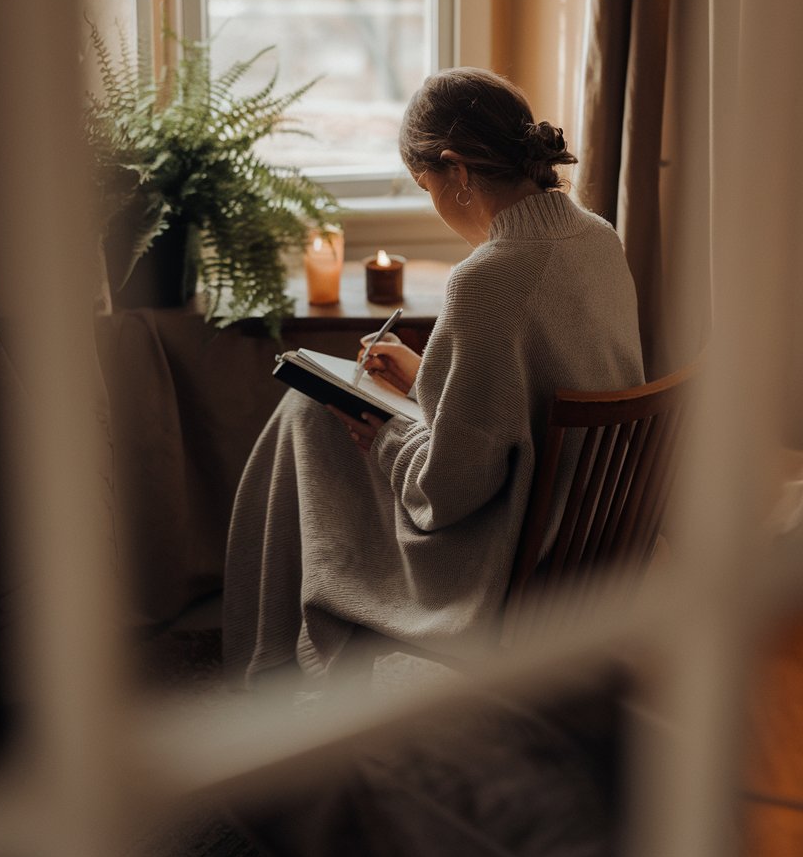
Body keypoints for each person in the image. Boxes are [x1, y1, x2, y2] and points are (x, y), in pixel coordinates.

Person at [223, 68, 643, 687]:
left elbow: (445, 494)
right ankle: (274, 661)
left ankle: (270, 668)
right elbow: (530, 392)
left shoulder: (486, 281)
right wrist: (426, 376)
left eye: (427, 187)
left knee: (308, 413)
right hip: (587, 533)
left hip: (504, 557)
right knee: (313, 414)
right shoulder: (597, 236)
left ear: (458, 170)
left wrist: (387, 435)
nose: (436, 204)